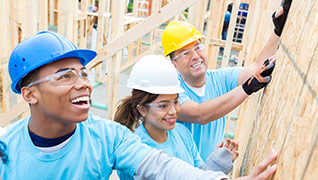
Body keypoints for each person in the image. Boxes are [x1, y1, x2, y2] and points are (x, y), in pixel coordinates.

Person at [1, 31, 278, 179]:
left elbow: (165, 169)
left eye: (83, 73)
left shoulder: (110, 138)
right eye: (65, 76)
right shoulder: (5, 150)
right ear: (29, 95)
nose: (83, 83)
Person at [161, 0, 292, 161]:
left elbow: (256, 67)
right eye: (185, 53)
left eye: (197, 47)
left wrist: (277, 31)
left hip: (211, 173)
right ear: (174, 63)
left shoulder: (219, 78)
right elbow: (199, 114)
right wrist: (246, 89)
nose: (195, 56)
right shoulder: (171, 92)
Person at [114, 55, 239, 175]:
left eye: (176, 102)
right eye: (163, 106)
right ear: (142, 109)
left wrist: (216, 166)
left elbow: (200, 173)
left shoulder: (182, 133)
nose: (173, 111)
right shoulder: (137, 151)